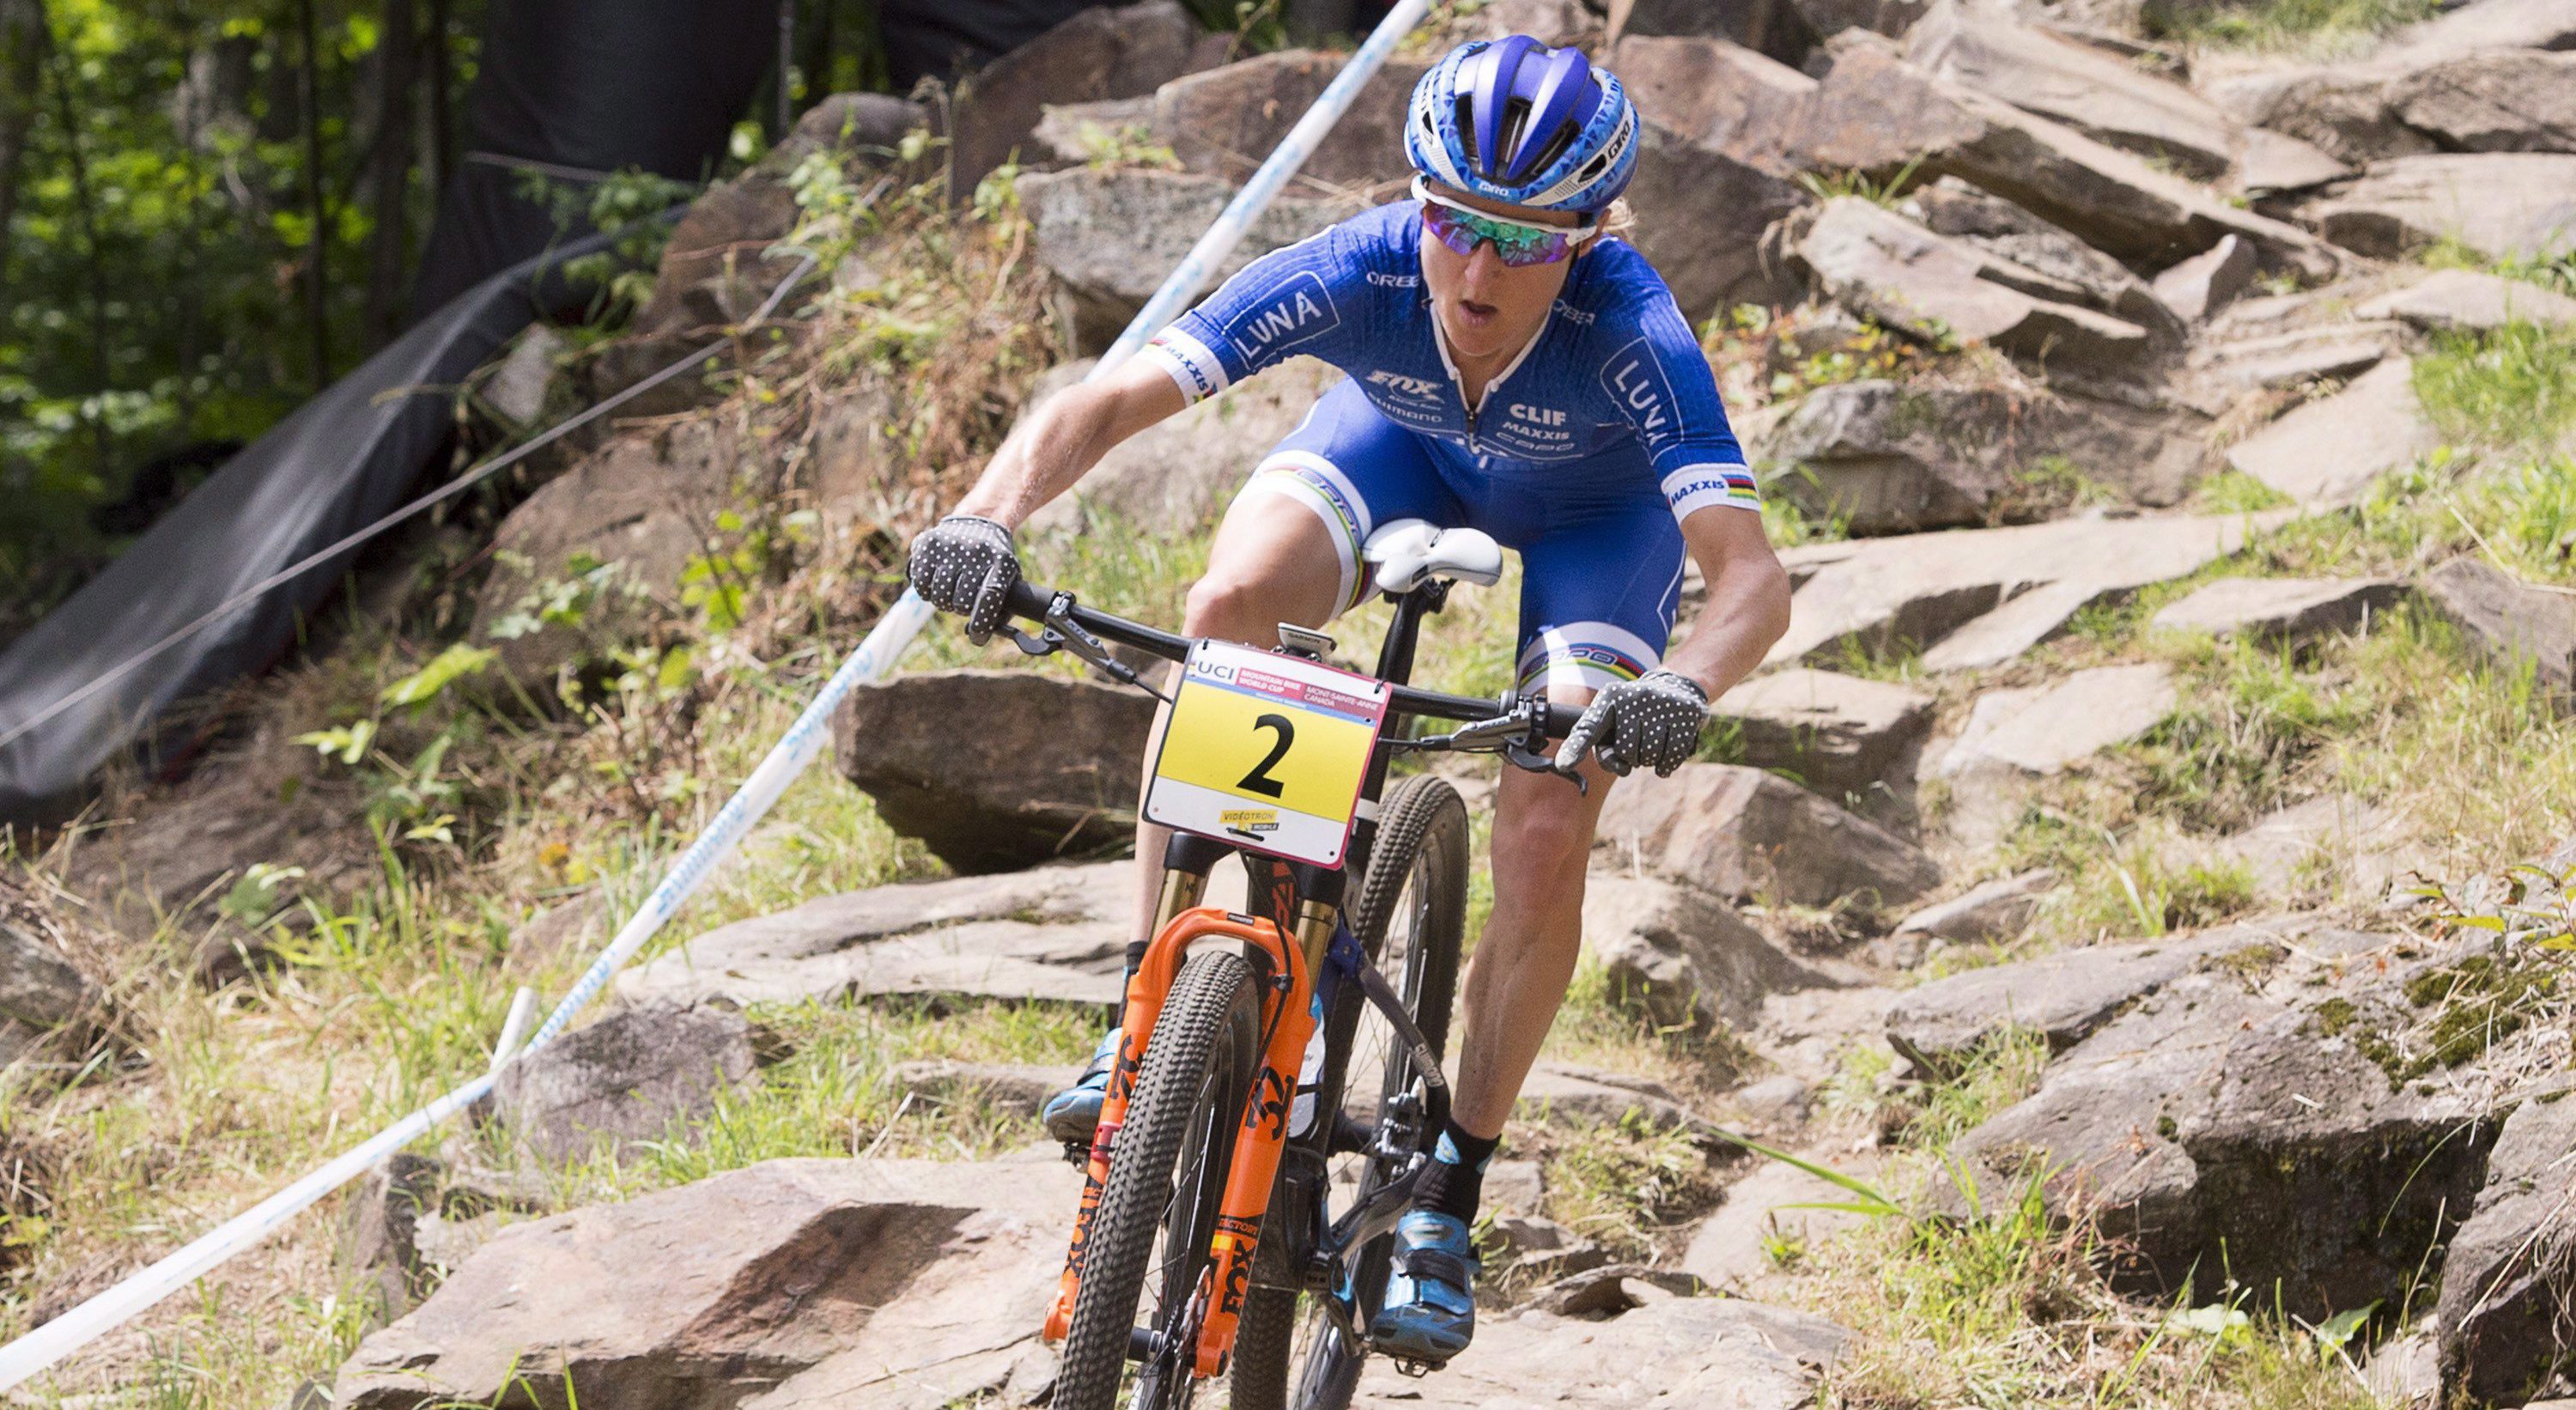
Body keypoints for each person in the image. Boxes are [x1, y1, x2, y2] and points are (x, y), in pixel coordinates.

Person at [907, 33, 1791, 1364]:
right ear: (1417, 201)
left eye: (1527, 241)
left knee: (1550, 812)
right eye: (1455, 224)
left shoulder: (1634, 331)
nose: (1479, 270)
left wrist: (1684, 682)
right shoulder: (1367, 265)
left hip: (1596, 524)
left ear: (1591, 236)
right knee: (1224, 613)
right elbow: (1107, 397)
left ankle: (1447, 1189)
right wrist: (985, 517)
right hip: (1400, 451)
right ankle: (1144, 1015)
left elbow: (1752, 579)